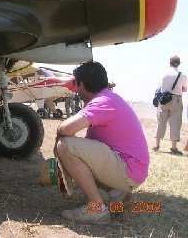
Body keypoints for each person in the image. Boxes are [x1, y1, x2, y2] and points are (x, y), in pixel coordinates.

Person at [54, 61, 149, 224]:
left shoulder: (103, 101)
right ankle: (118, 194)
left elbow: (65, 129)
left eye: (76, 85)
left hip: (128, 170)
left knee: (65, 146)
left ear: (81, 84)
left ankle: (96, 209)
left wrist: (59, 148)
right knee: (73, 152)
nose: (76, 90)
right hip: (133, 169)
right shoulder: (109, 98)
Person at [153, 55, 187, 155]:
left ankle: (157, 145)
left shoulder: (163, 73)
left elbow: (160, 86)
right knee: (175, 123)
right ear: (179, 63)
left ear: (170, 62)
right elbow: (184, 89)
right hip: (176, 99)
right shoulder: (182, 75)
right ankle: (173, 148)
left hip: (163, 100)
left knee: (161, 122)